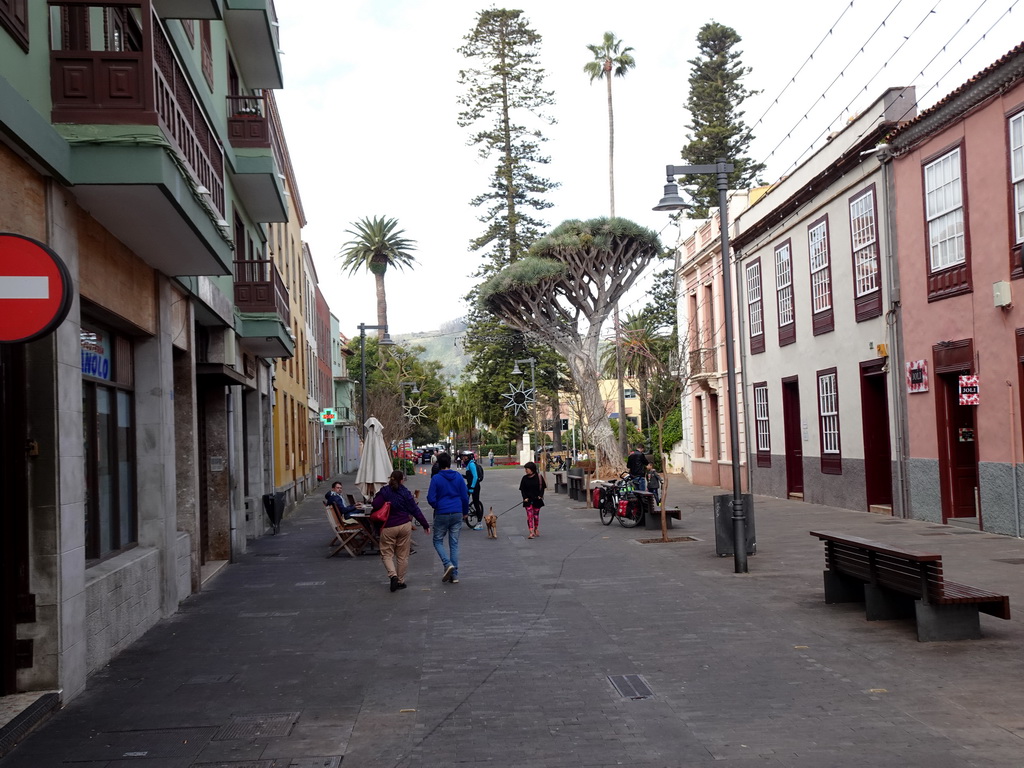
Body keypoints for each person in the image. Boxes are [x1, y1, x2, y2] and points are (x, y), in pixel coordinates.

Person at [370, 471, 431, 592]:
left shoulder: (385, 491)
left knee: (387, 553)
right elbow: (415, 510)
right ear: (402, 480)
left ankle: (392, 575)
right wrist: (425, 524)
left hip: (388, 526)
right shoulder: (405, 492)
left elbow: (375, 504)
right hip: (404, 525)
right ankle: (400, 581)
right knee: (403, 555)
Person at [427, 452, 468, 583]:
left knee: (437, 540)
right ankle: (454, 574)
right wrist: (465, 512)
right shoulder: (458, 477)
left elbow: (430, 498)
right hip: (457, 512)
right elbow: (465, 497)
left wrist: (437, 505)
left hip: (442, 512)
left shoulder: (436, 478)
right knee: (454, 543)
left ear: (439, 464)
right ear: (450, 463)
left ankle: (447, 563)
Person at [519, 461, 546, 539]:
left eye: (527, 469)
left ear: (532, 469)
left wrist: (540, 496)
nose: (526, 471)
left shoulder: (539, 477)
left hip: (537, 499)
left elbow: (542, 487)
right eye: (525, 469)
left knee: (536, 516)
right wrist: (525, 498)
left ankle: (536, 528)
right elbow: (522, 490)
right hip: (528, 500)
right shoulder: (524, 478)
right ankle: (531, 531)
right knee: (530, 516)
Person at [464, 451, 482, 520]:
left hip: (475, 486)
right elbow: (469, 476)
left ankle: (479, 521)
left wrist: (472, 487)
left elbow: (475, 476)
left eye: (464, 457)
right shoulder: (468, 464)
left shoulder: (471, 464)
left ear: (468, 457)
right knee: (464, 498)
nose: (463, 458)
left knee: (476, 503)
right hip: (470, 485)